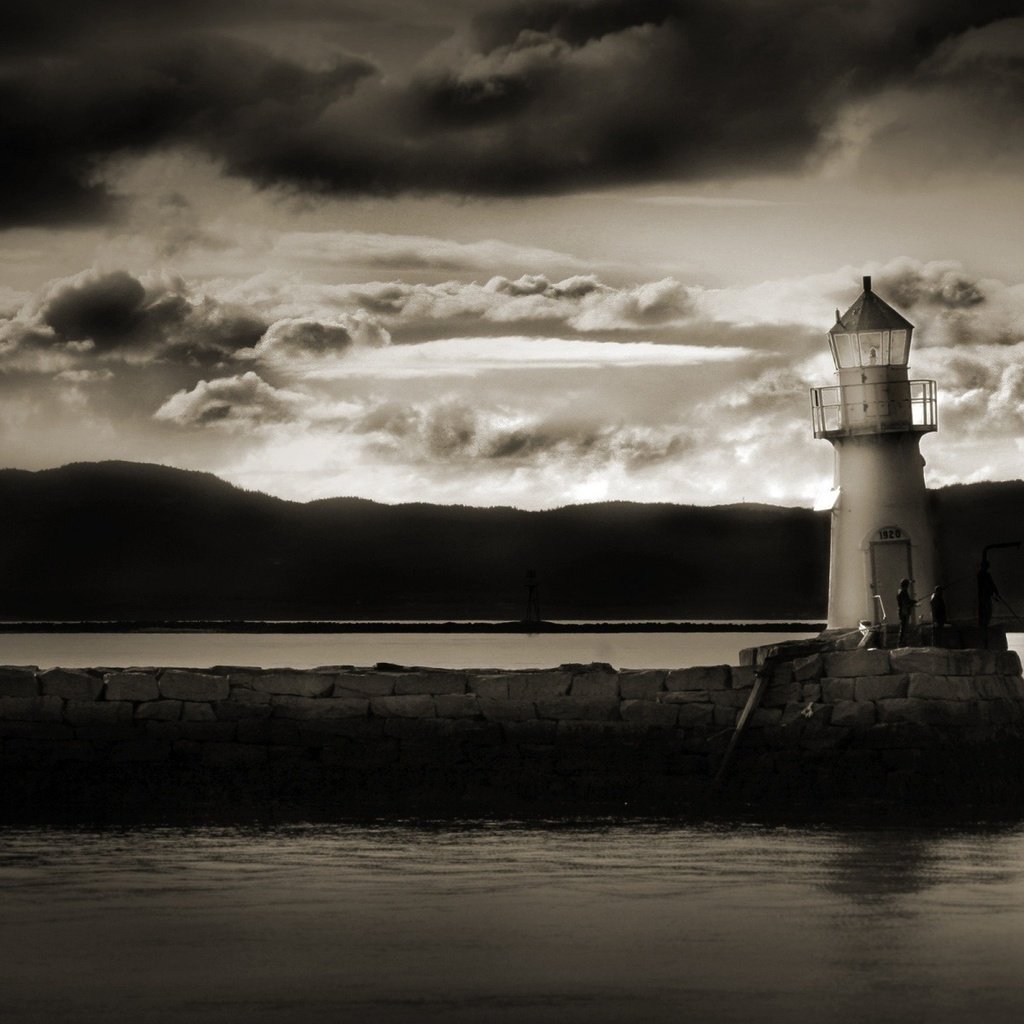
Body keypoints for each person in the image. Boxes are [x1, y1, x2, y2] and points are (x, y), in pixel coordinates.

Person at [978, 559, 1001, 645]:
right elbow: (989, 586)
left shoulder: (983, 575)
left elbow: (991, 585)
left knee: (987, 612)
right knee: (986, 612)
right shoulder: (983, 575)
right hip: (984, 597)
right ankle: (984, 627)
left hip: (985, 597)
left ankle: (984, 626)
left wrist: (995, 594)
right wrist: (994, 594)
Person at [896, 578, 918, 647]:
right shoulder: (904, 592)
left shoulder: (900, 592)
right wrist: (914, 602)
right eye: (908, 584)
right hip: (904, 612)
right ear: (906, 585)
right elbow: (907, 602)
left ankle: (902, 642)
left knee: (903, 628)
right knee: (904, 628)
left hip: (902, 612)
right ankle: (902, 643)